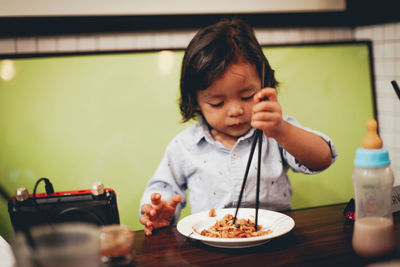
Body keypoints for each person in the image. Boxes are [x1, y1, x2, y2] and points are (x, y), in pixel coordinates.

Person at [139, 18, 338, 236]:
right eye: (217, 103)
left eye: (246, 96)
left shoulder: (276, 131)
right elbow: (163, 187)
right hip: (210, 246)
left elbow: (323, 158)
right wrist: (160, 209)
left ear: (264, 84)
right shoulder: (184, 145)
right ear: (195, 100)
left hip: (273, 242)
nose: (235, 110)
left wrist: (282, 130)